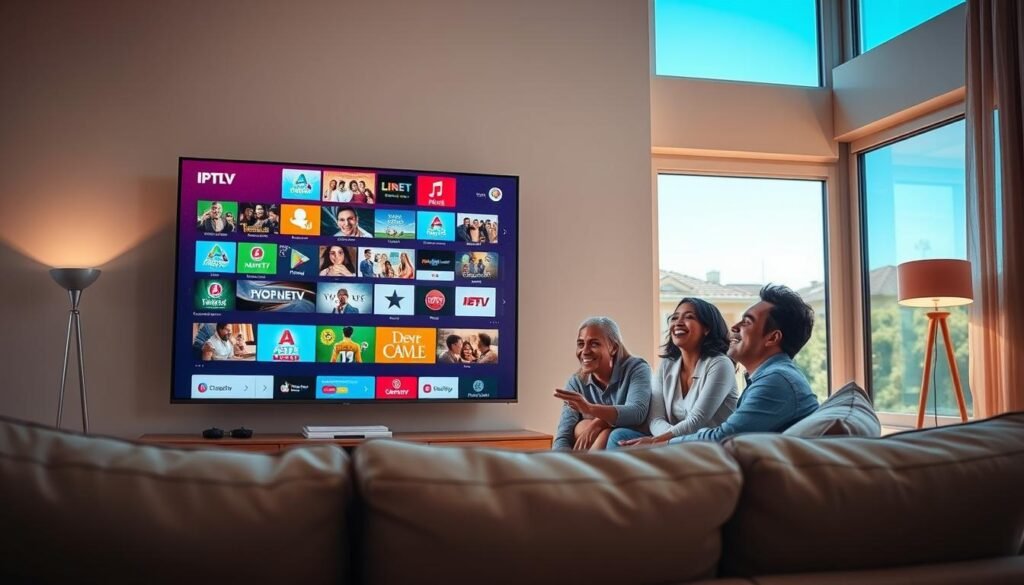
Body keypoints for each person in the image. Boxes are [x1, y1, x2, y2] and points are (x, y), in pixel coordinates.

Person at [668, 284, 819, 444]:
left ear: (772, 338)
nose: (734, 327)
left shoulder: (776, 381)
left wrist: (663, 443)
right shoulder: (770, 377)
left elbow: (724, 439)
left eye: (747, 322)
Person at [609, 298, 738, 449]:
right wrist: (665, 440)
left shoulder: (720, 364)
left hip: (710, 446)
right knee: (619, 436)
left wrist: (658, 441)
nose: (678, 323)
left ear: (706, 328)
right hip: (675, 443)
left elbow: (696, 421)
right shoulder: (667, 364)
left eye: (689, 317)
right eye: (675, 317)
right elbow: (655, 419)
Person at [552, 317, 652, 451]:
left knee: (607, 434)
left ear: (613, 348)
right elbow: (564, 435)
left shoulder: (637, 368)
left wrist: (594, 414)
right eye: (581, 344)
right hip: (595, 448)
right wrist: (559, 460)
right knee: (581, 427)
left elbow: (637, 412)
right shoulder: (576, 382)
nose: (585, 351)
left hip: (631, 440)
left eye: (594, 344)